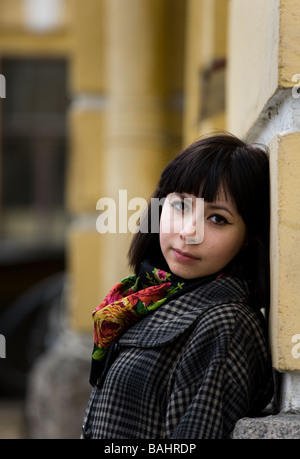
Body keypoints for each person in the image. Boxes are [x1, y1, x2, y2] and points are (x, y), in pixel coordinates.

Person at [81, 132, 274, 439]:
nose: (189, 232)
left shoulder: (226, 324)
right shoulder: (150, 298)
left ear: (249, 236)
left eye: (218, 219)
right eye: (181, 206)